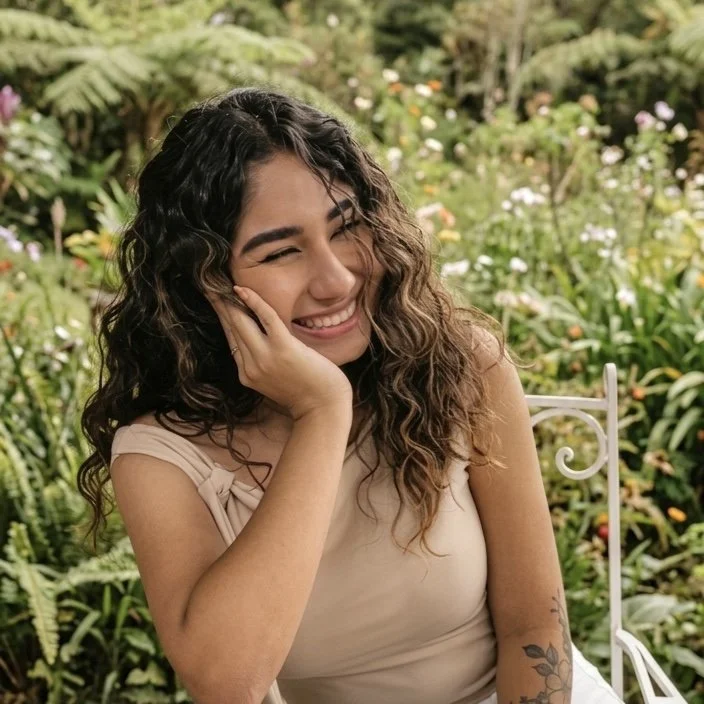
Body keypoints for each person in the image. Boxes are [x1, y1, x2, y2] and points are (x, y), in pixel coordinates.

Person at [77, 86, 624, 704]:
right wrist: (322, 412)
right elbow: (227, 682)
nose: (336, 279)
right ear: (203, 284)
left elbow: (534, 625)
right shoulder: (161, 456)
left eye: (346, 228)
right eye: (282, 251)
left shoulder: (458, 365)